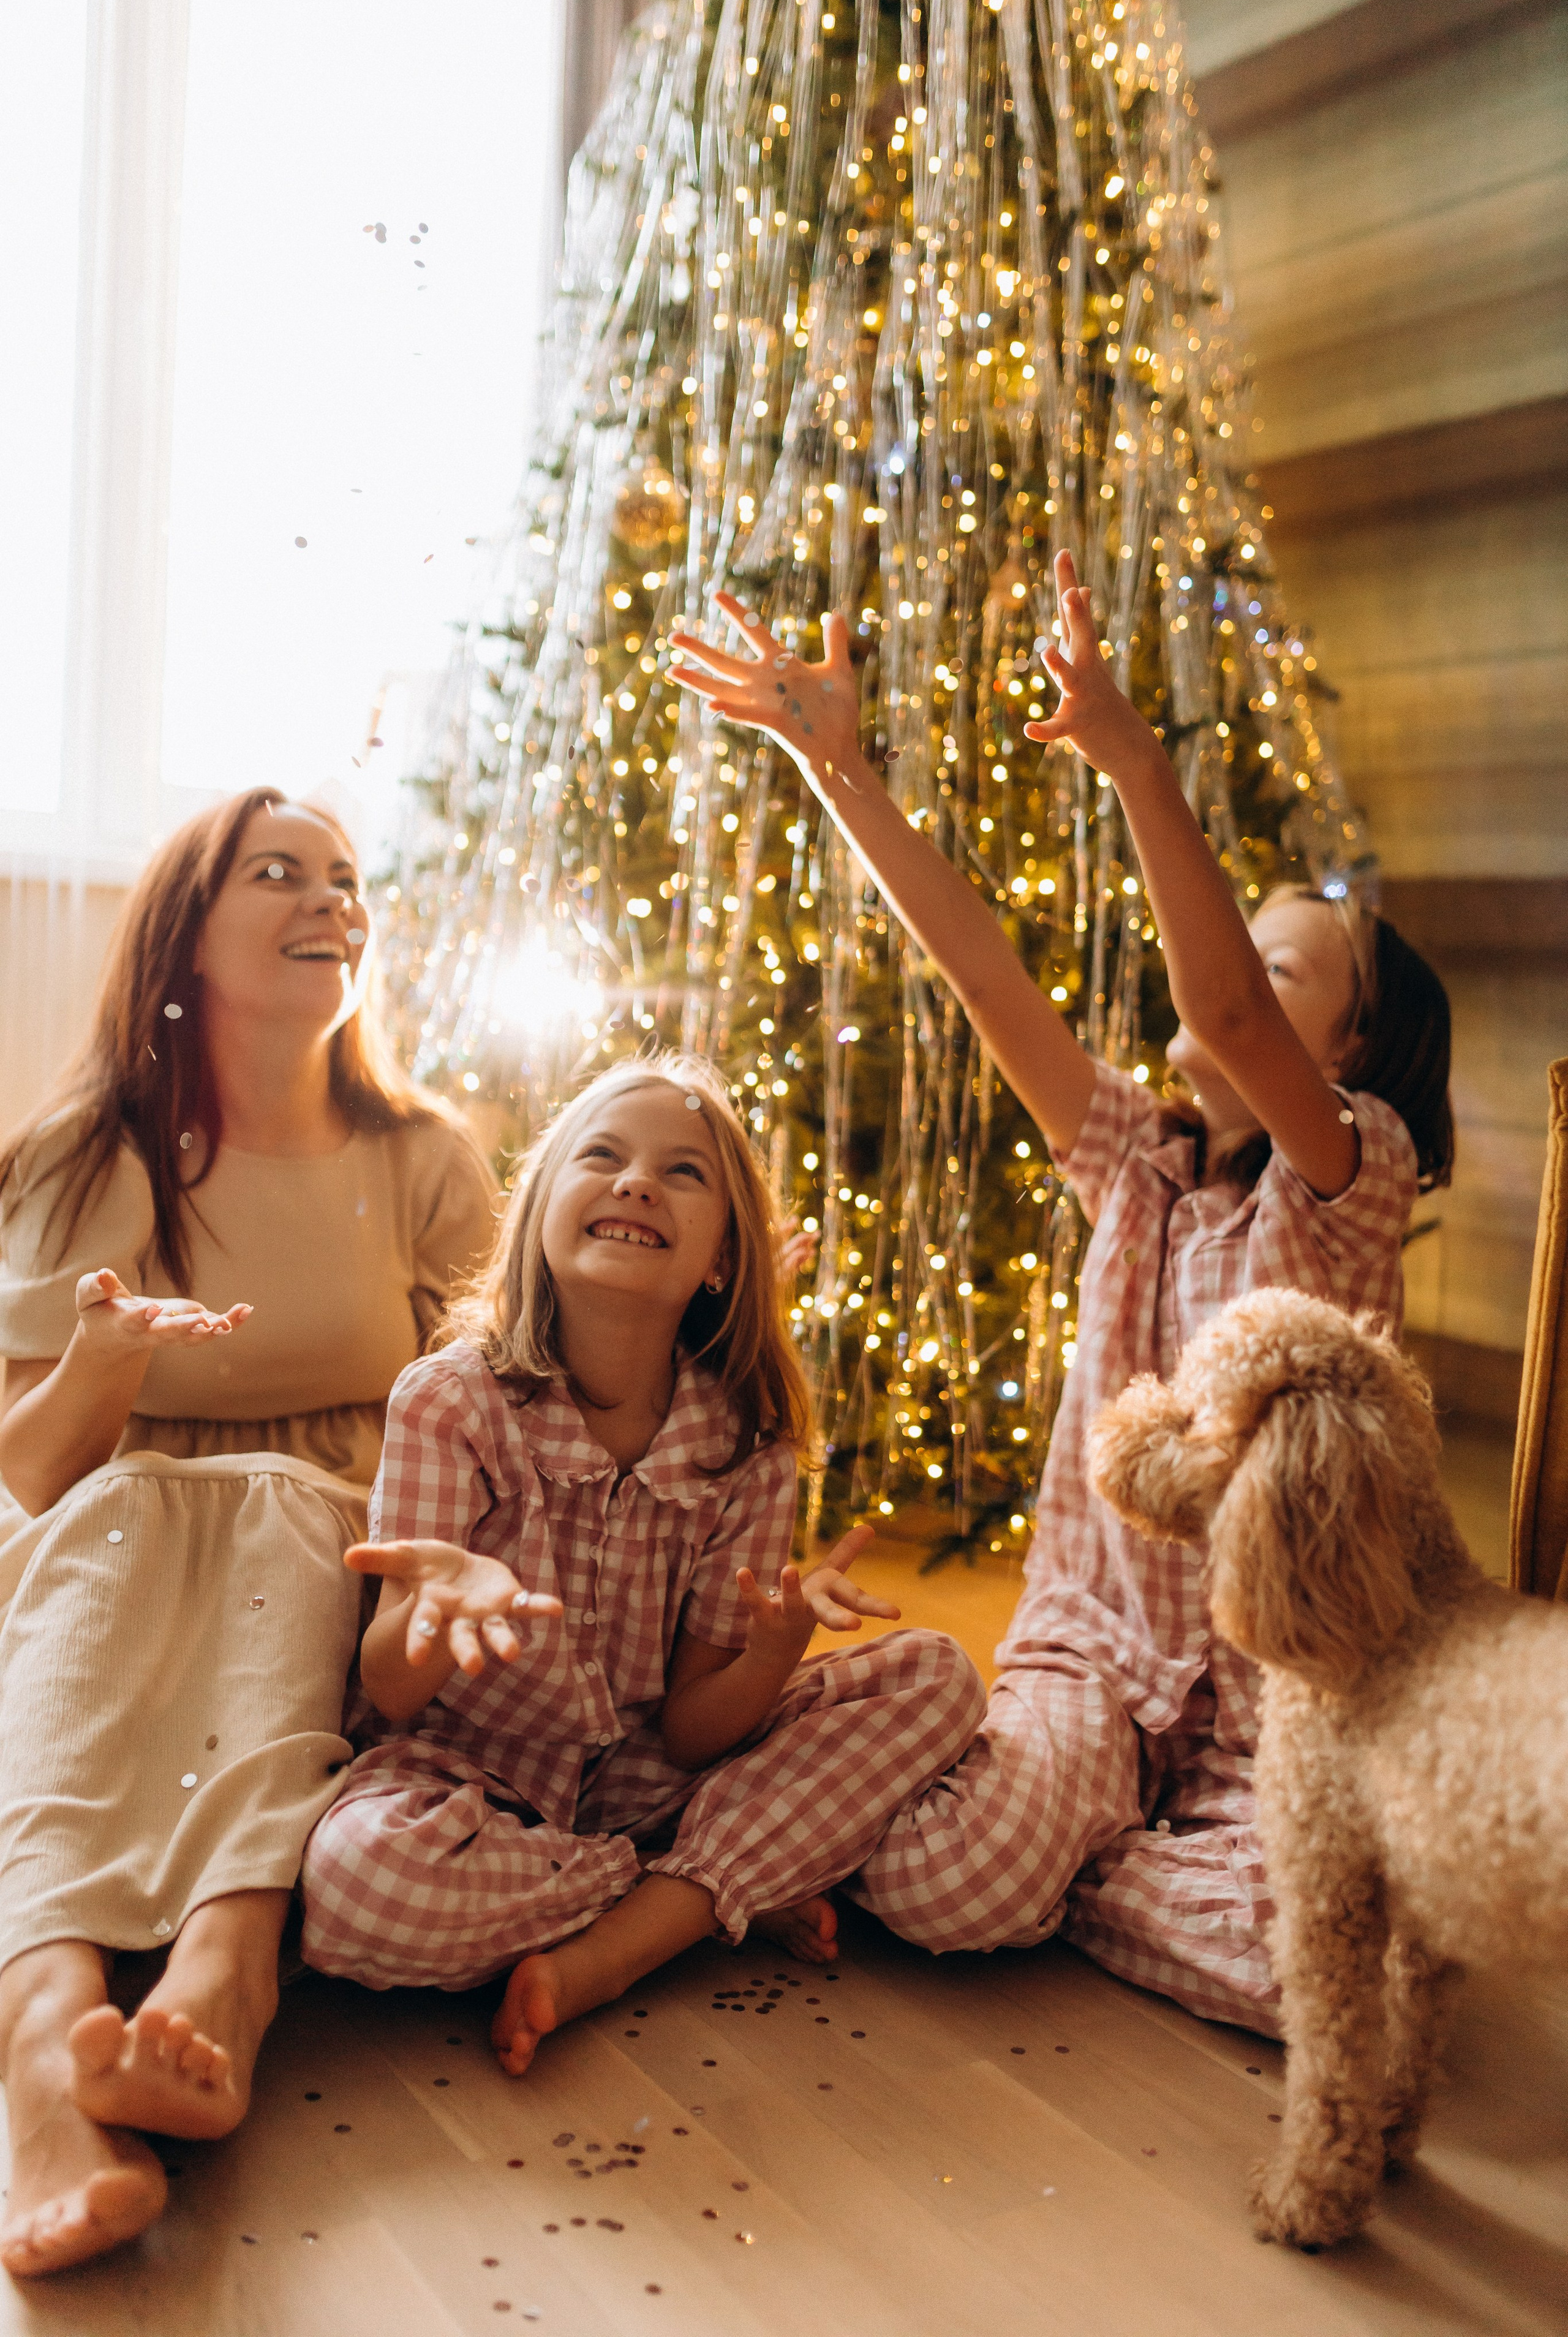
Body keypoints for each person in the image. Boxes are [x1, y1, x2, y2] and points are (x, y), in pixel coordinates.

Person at [666, 553, 1453, 2034]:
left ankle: (1085, 1864)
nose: (1227, 975)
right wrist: (838, 768)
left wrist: (1134, 761)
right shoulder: (1130, 1163)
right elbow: (978, 970)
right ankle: (1005, 1815)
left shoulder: (1354, 1179)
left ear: (1348, 1053)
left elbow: (1213, 1003)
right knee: (953, 1887)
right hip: (1090, 1652)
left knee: (1315, 1976)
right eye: (1246, 948)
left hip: (1272, 1692)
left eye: (1282, 969)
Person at [0, 789, 497, 2275]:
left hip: (335, 1530)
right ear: (183, 936)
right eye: (276, 873)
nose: (329, 898)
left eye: (347, 879)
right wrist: (105, 1358)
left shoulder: (424, 1157)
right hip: (110, 1523)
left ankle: (222, 1974)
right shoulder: (87, 1151)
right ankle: (42, 2054)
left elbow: (499, 1408)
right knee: (134, 1526)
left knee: (282, 1518)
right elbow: (29, 1477)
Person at [300, 1051, 985, 2071]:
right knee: (360, 1889)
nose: (636, 1182)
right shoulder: (451, 1402)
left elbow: (695, 1728)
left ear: (720, 1258)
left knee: (939, 1676)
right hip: (463, 1779)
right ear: (539, 1215)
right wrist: (437, 1612)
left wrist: (767, 1656)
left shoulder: (748, 1444)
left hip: (650, 1775)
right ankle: (690, 1903)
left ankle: (630, 1936)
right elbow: (392, 1693)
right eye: (604, 1156)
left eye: (684, 1173)